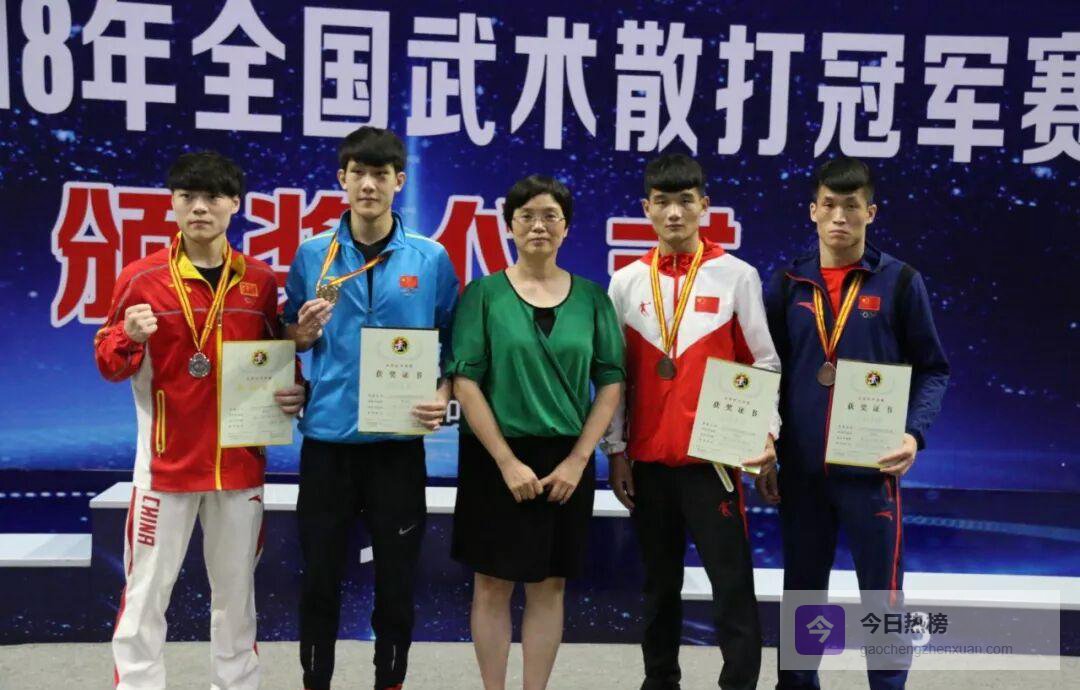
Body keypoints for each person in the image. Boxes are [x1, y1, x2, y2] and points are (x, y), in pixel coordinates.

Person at [95, 150, 306, 690]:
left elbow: (274, 358)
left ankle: (236, 684)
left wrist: (294, 389)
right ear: (172, 203)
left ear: (235, 204)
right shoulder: (141, 278)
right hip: (164, 469)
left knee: (236, 596)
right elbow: (109, 364)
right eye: (187, 196)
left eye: (212, 197)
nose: (199, 208)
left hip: (239, 466)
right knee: (146, 594)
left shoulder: (259, 280)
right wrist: (128, 337)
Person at [760, 157, 949, 690]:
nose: (839, 217)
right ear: (813, 211)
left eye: (851, 206)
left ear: (871, 212)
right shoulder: (788, 283)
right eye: (829, 205)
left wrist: (914, 434)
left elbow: (933, 369)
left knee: (882, 597)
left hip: (872, 469)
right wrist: (765, 444)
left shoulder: (901, 282)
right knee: (803, 592)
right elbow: (767, 370)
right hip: (801, 469)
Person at [283, 126, 459, 690]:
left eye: (380, 174)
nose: (368, 184)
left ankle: (391, 681)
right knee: (319, 577)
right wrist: (301, 337)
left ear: (398, 181)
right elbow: (287, 337)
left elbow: (453, 343)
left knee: (397, 579)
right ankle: (316, 681)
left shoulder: (430, 258)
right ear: (342, 179)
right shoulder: (313, 255)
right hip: (328, 444)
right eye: (358, 173)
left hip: (397, 448)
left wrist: (443, 394)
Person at [603, 153, 780, 690]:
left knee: (731, 584)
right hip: (650, 465)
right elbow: (615, 376)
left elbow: (763, 362)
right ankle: (660, 682)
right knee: (658, 587)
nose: (674, 213)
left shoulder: (737, 276)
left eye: (685, 201)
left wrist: (765, 435)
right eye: (662, 202)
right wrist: (617, 452)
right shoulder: (626, 282)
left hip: (715, 464)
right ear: (646, 209)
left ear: (705, 205)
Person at [449, 175, 625, 690]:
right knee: (491, 584)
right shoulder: (483, 294)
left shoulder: (592, 298)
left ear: (566, 227)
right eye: (526, 216)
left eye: (550, 216)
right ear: (509, 226)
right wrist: (506, 461)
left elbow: (611, 382)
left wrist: (578, 461)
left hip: (565, 461)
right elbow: (465, 381)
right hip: (494, 457)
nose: (538, 226)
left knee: (550, 586)